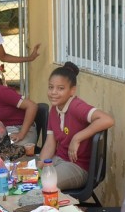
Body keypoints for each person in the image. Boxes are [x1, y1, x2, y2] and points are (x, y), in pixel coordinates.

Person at [39, 62, 115, 190]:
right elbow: (49, 144)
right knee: (28, 178)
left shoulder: (76, 106)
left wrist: (77, 138)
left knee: (44, 183)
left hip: (77, 166)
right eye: (51, 87)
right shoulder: (54, 109)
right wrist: (38, 166)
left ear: (72, 90)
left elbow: (107, 120)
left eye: (60, 88)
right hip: (58, 160)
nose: (53, 92)